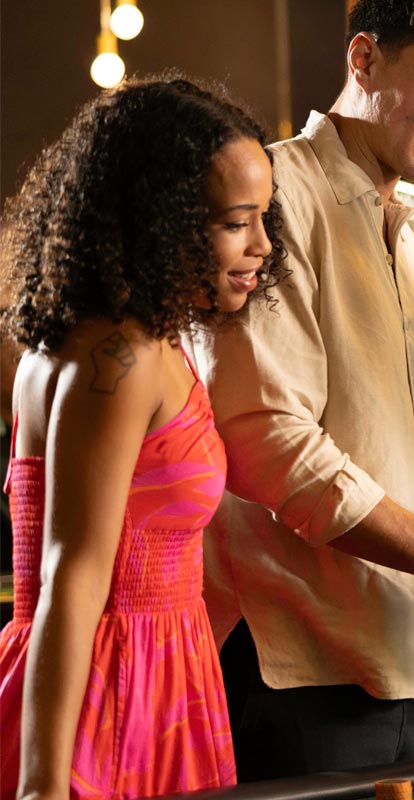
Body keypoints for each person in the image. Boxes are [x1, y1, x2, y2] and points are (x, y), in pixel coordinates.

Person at [191, 0, 414, 780]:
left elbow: (389, 457)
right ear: (363, 60)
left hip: (404, 665)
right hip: (295, 670)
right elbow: (268, 447)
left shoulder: (409, 236)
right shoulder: (275, 194)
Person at [0, 76, 286, 800]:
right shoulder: (121, 356)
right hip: (112, 699)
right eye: (235, 222)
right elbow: (72, 574)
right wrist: (44, 786)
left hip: (151, 680)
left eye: (263, 218)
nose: (261, 245)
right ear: (159, 219)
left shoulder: (98, 338)